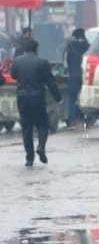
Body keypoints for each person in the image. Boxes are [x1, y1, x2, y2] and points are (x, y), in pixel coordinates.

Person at [10, 39, 62, 167]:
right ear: (36, 49)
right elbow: (50, 82)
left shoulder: (17, 61)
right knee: (42, 125)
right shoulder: (42, 63)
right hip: (37, 98)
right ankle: (41, 147)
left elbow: (13, 75)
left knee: (26, 128)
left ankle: (29, 158)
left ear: (24, 48)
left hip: (22, 99)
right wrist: (58, 97)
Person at [64, 28, 90, 127]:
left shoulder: (70, 46)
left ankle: (72, 120)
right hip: (84, 75)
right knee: (85, 97)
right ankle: (84, 118)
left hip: (73, 75)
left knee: (72, 98)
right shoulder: (88, 46)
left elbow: (67, 61)